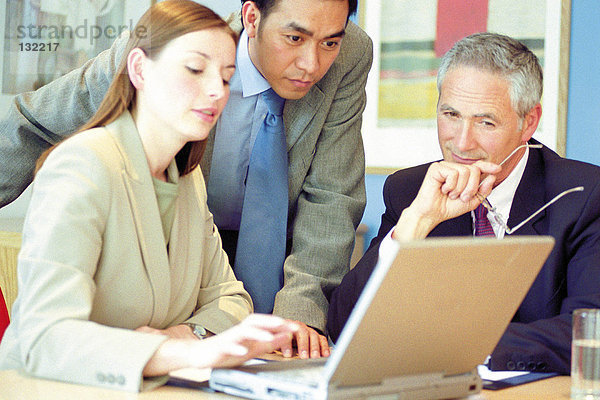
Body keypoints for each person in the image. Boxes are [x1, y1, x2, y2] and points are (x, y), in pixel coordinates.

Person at [0, 0, 372, 359]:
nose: (311, 63)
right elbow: (30, 126)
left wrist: (294, 314)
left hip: (262, 260)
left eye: (329, 43)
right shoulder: (85, 164)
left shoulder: (187, 180)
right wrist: (175, 351)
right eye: (294, 38)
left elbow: (332, 196)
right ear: (252, 19)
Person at [327, 32, 600, 375]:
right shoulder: (411, 190)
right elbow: (343, 326)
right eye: (451, 114)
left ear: (528, 122)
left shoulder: (583, 194)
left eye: (486, 122)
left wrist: (459, 347)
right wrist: (415, 224)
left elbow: (589, 330)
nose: (461, 142)